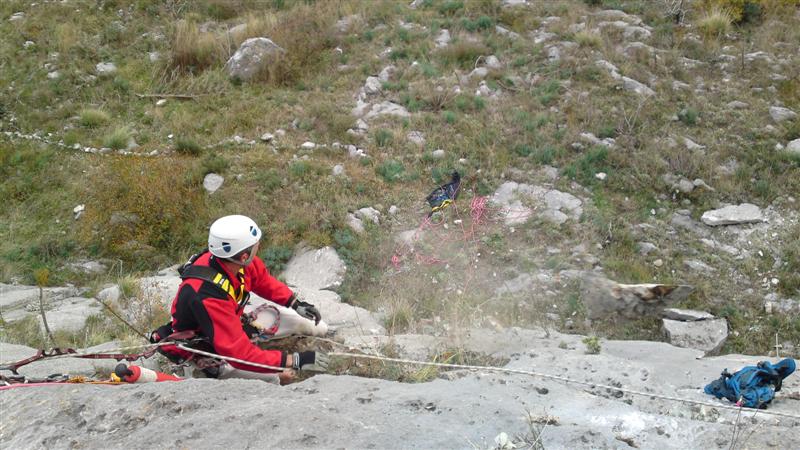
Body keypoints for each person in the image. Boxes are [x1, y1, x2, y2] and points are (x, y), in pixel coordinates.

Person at [152, 215, 329, 384]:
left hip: (231, 322)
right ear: (244, 256)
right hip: (208, 345)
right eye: (255, 245)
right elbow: (239, 355)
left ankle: (275, 365)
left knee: (316, 326)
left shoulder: (236, 262)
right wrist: (294, 360)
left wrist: (295, 303)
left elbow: (262, 280)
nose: (258, 246)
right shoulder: (206, 295)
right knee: (271, 380)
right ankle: (273, 378)